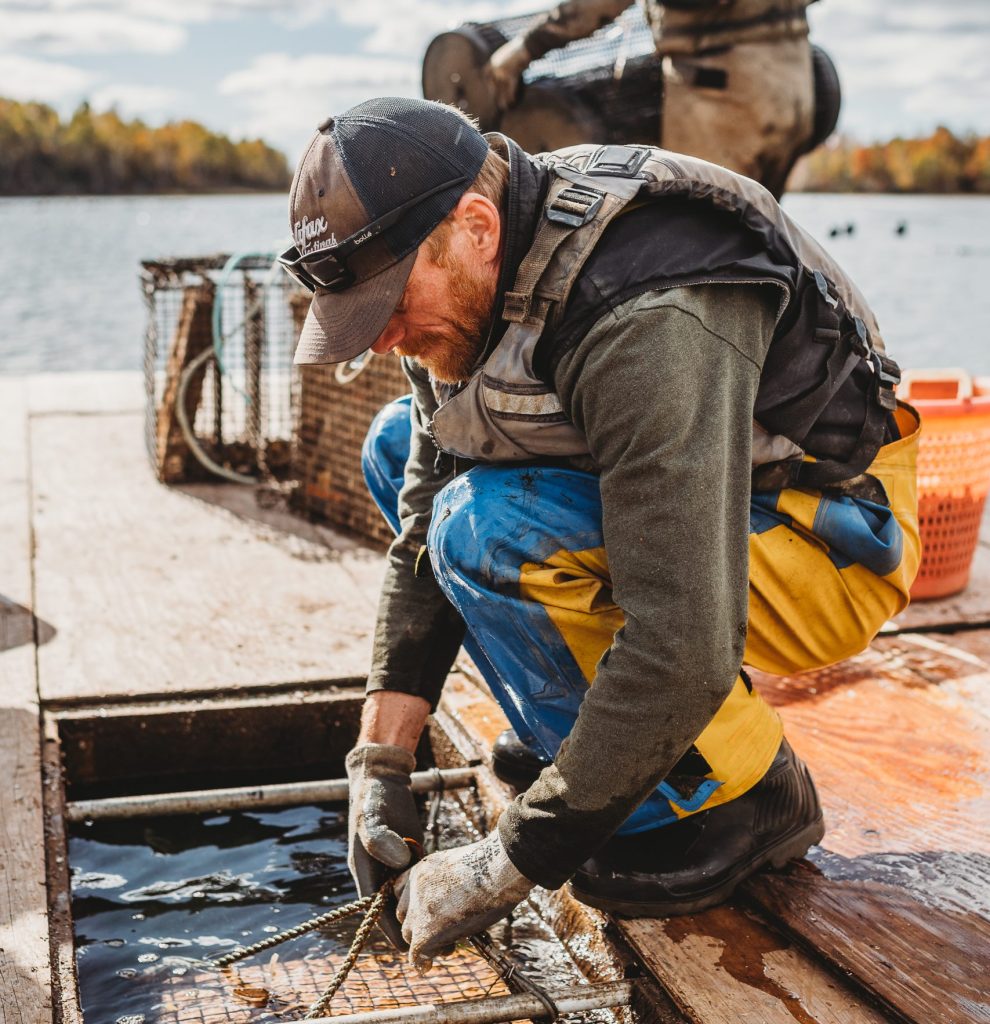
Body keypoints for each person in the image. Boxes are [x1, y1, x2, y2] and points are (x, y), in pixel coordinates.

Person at [278, 97, 920, 969]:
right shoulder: (474, 267)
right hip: (694, 496)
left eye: (390, 302)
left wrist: (511, 861)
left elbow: (685, 639)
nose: (385, 334)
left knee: (489, 532)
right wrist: (379, 763)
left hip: (827, 536)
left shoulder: (646, 312)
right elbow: (421, 515)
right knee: (399, 448)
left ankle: (734, 792)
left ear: (473, 226)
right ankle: (600, 748)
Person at [487, 0, 817, 198]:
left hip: (722, 92)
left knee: (701, 236)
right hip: (794, 83)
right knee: (766, 235)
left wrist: (524, 48)